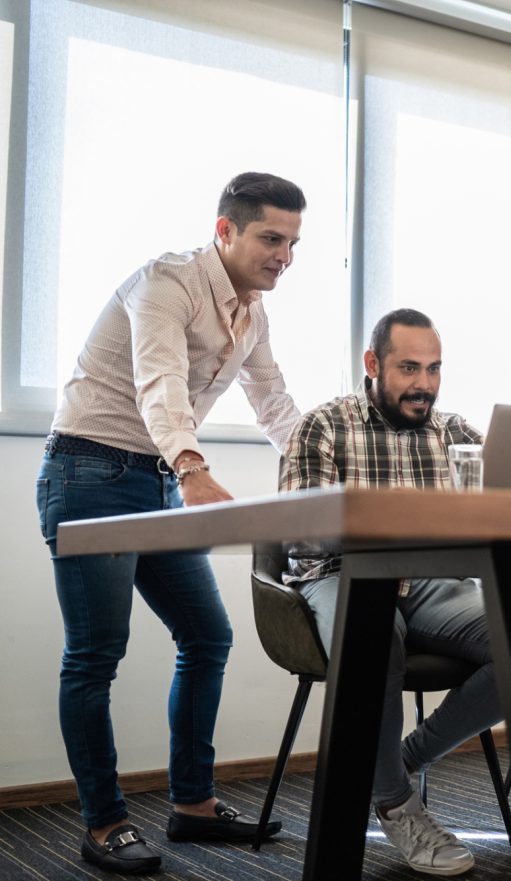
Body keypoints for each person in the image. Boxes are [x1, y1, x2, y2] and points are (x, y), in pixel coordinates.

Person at [35, 172, 307, 874]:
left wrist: (328, 467)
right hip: (88, 473)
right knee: (96, 655)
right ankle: (104, 822)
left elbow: (274, 402)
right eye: (271, 238)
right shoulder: (166, 284)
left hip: (153, 479)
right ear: (226, 231)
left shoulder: (252, 316)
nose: (284, 256)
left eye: (293, 243)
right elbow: (160, 382)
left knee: (207, 634)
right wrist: (191, 467)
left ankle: (193, 804)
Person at [280, 308, 501, 877]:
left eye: (434, 369)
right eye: (409, 368)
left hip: (430, 580)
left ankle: (397, 765)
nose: (424, 384)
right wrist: (382, 520)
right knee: (375, 635)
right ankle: (398, 805)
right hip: (340, 573)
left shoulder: (455, 434)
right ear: (373, 364)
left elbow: (504, 505)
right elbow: (302, 529)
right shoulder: (323, 425)